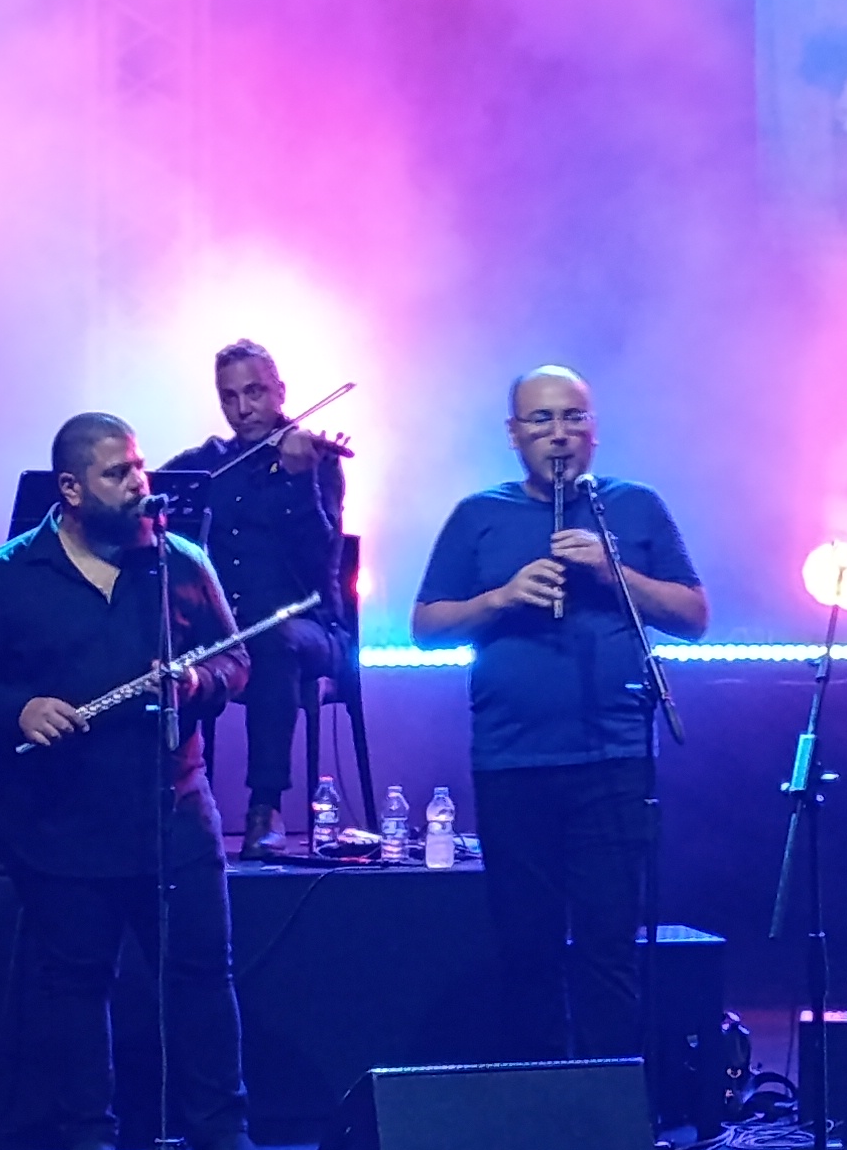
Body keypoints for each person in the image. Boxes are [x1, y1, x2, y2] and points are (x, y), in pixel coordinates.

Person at [0, 412, 267, 1150]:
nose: (140, 485)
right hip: (59, 817)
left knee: (200, 973)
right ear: (72, 489)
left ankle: (223, 1130)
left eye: (139, 467)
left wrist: (198, 681)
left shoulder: (179, 563)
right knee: (77, 980)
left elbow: (237, 664)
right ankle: (90, 1135)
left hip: (172, 810)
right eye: (119, 474)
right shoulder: (5, 575)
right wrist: (17, 708)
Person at [411, 368, 708, 1067]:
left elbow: (694, 615)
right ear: (514, 434)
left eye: (573, 417)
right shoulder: (478, 514)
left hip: (614, 757)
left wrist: (611, 571)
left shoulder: (634, 507)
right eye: (540, 420)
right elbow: (425, 626)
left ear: (594, 430)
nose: (558, 434)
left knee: (609, 946)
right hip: (512, 759)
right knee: (527, 947)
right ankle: (539, 1108)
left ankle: (612, 1108)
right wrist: (502, 597)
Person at [154, 340, 349, 856]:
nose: (243, 408)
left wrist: (299, 482)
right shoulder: (207, 464)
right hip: (228, 629)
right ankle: (167, 802)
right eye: (230, 397)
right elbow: (152, 498)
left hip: (310, 626)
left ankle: (265, 808)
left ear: (280, 391)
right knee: (165, 644)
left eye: (255, 392)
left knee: (272, 641)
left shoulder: (315, 461)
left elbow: (319, 559)